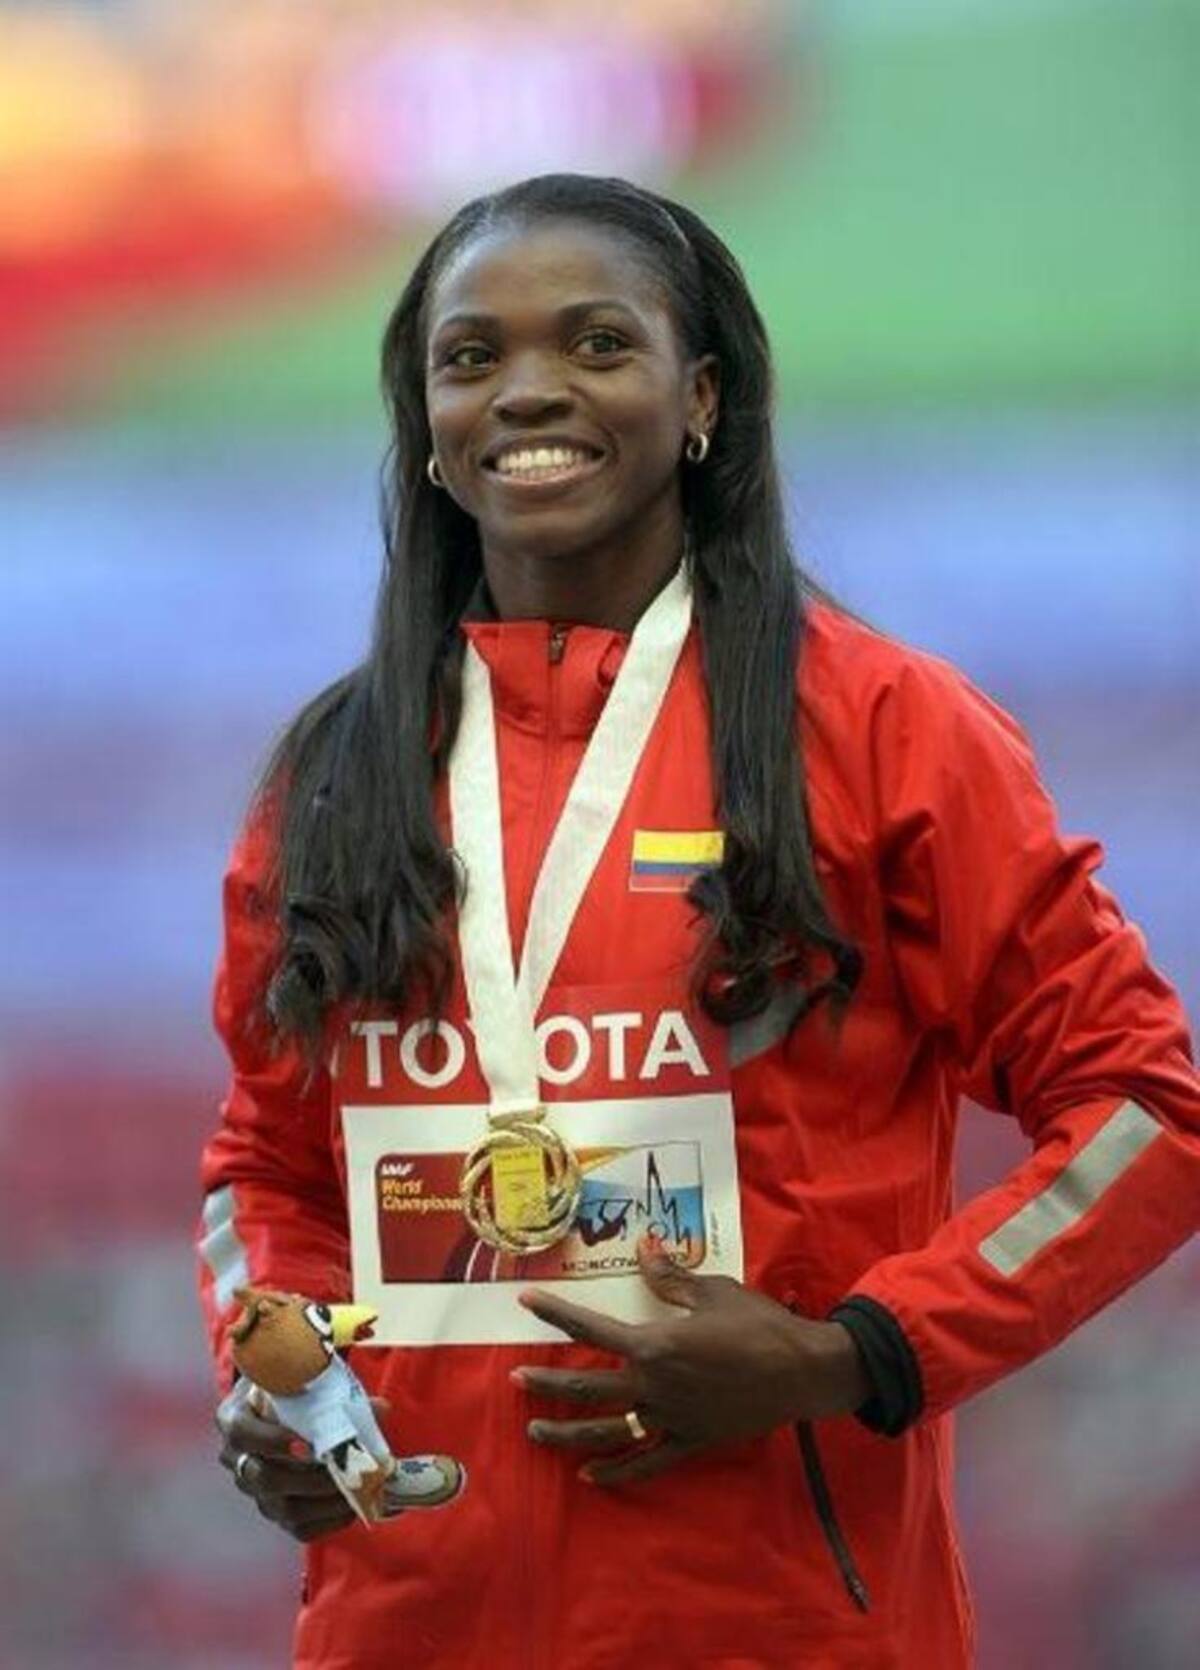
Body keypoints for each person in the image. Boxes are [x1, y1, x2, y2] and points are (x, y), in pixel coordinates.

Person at [197, 173, 1200, 1669]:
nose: (529, 389)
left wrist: (848, 1353)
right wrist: (277, 1377)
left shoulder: (882, 731)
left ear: (703, 395)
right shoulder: (338, 773)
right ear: (426, 426)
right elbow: (268, 1165)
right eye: (471, 358)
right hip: (409, 1620)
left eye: (596, 342)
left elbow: (1146, 1111)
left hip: (775, 1623)